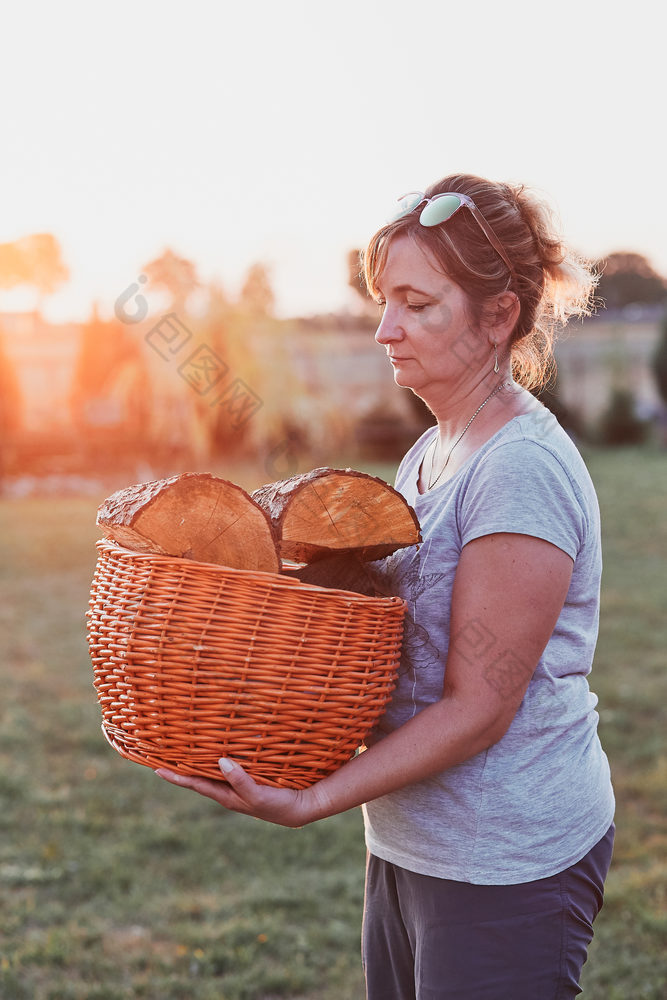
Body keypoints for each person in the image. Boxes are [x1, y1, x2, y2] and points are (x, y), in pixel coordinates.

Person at [156, 173, 615, 999]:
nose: (384, 329)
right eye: (382, 300)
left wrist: (312, 800)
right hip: (411, 842)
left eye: (415, 303)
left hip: (504, 859)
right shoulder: (433, 450)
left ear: (498, 316)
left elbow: (480, 706)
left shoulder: (521, 469)